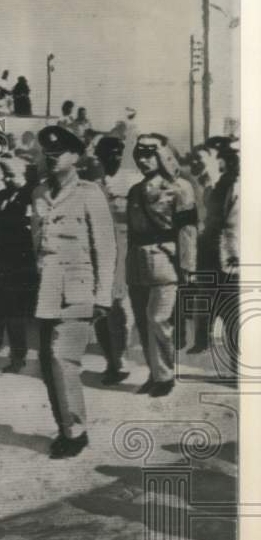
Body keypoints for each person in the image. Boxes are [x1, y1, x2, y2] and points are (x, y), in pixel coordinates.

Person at [31, 126, 116, 458]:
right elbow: (37, 244)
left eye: (59, 153)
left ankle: (75, 432)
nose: (51, 158)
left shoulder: (89, 193)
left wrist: (103, 296)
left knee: (63, 359)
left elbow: (105, 247)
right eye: (47, 153)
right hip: (46, 289)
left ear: (76, 156)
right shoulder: (39, 193)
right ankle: (65, 426)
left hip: (77, 287)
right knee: (49, 363)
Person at [126, 133, 198, 398]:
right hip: (137, 263)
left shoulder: (180, 188)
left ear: (163, 155)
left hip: (165, 262)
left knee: (158, 320)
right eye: (140, 155)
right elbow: (132, 232)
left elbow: (187, 229)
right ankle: (154, 373)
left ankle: (165, 377)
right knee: (143, 322)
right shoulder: (135, 190)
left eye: (149, 155)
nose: (143, 160)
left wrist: (188, 267)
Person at [0, 156, 38, 372]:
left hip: (18, 263)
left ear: (24, 175)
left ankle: (18, 356)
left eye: (11, 175)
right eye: (4, 175)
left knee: (15, 312)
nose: (6, 179)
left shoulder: (32, 197)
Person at [93, 136, 139, 385]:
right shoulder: (91, 184)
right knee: (100, 308)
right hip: (97, 251)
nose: (114, 157)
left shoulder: (133, 181)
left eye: (118, 152)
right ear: (99, 156)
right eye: (108, 153)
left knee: (120, 306)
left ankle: (121, 360)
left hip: (124, 249)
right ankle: (110, 361)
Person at [190, 136, 239, 356]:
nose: (195, 162)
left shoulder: (226, 184)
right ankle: (203, 339)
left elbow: (228, 224)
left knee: (227, 303)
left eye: (200, 158)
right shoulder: (200, 183)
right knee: (205, 296)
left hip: (223, 251)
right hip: (206, 248)